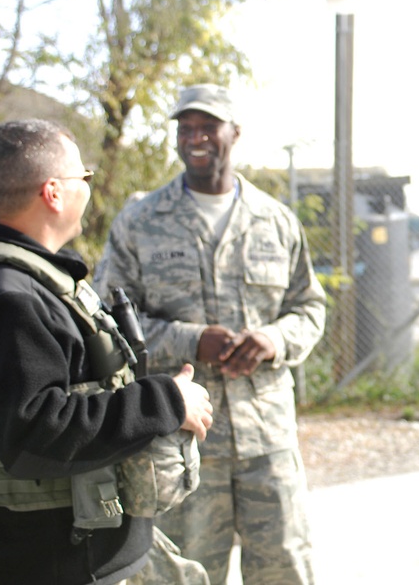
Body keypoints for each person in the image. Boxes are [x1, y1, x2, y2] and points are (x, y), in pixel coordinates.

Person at [95, 84, 327, 584]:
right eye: (185, 128)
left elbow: (308, 307)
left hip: (268, 439)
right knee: (187, 573)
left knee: (286, 569)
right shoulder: (140, 221)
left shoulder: (276, 220)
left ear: (234, 134)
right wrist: (189, 339)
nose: (195, 138)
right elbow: (107, 321)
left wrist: (273, 341)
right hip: (181, 440)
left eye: (207, 127)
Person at [0, 119, 214, 584]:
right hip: (56, 562)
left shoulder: (33, 283)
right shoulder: (12, 297)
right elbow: (36, 430)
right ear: (52, 192)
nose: (89, 190)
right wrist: (168, 403)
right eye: (83, 179)